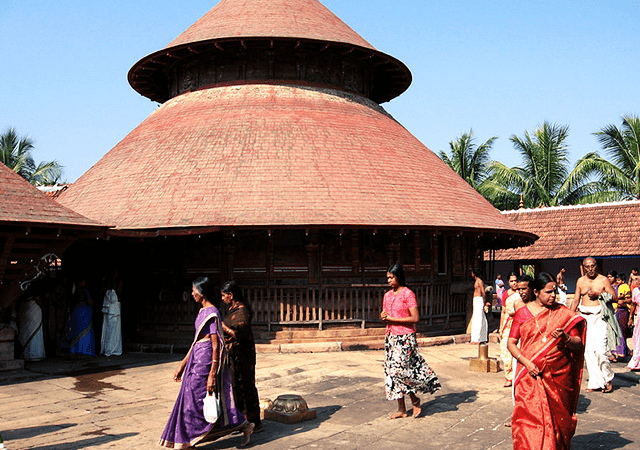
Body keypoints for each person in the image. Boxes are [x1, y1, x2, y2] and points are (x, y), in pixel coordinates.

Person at [159, 277, 254, 448]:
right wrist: (182, 364)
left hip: (205, 362)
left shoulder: (213, 312)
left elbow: (216, 345)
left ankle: (244, 425)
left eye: (194, 290)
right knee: (189, 399)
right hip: (195, 359)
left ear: (201, 293)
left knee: (196, 401)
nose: (192, 293)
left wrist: (212, 374)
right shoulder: (202, 311)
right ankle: (190, 440)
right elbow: (196, 341)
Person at [507, 272, 586, 449]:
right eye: (548, 292)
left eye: (555, 292)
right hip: (529, 376)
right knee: (527, 420)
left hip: (558, 377)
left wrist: (565, 337)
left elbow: (578, 344)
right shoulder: (523, 313)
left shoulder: (563, 314)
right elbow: (511, 343)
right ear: (536, 291)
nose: (553, 296)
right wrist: (527, 363)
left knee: (556, 421)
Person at [381, 263, 441, 419]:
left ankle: (415, 400)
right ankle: (401, 408)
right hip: (391, 337)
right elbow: (385, 314)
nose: (389, 281)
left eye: (391, 277)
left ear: (399, 277)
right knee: (391, 373)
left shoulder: (408, 294)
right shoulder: (387, 295)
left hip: (406, 337)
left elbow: (415, 317)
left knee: (402, 371)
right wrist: (384, 317)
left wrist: (393, 319)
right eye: (387, 278)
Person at [220, 281, 263, 433]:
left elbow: (242, 335)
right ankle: (241, 421)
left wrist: (224, 328)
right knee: (236, 387)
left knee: (247, 387)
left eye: (224, 295)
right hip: (234, 355)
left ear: (231, 295)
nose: (223, 298)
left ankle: (254, 422)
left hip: (243, 354)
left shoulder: (242, 310)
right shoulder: (232, 309)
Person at [571, 257, 616, 392]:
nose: (590, 269)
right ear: (584, 268)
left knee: (601, 350)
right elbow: (576, 300)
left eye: (592, 266)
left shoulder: (603, 280)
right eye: (587, 267)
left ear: (596, 266)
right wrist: (568, 316)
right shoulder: (581, 281)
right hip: (585, 317)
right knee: (589, 351)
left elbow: (614, 297)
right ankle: (595, 382)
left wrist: (599, 293)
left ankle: (607, 379)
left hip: (600, 317)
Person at [499, 272, 519, 387]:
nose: (514, 283)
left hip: (518, 323)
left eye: (515, 280)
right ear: (508, 282)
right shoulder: (506, 294)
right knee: (506, 350)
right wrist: (501, 327)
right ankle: (508, 377)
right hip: (507, 324)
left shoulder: (521, 293)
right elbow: (503, 311)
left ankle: (517, 376)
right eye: (511, 281)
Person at [69, 279, 96, 358]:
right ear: (80, 282)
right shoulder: (85, 290)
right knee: (86, 331)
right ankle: (85, 351)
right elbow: (90, 302)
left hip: (76, 312)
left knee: (77, 331)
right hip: (84, 312)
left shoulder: (75, 291)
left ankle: (76, 350)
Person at [17, 293, 46, 361]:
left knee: (27, 333)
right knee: (31, 333)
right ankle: (34, 355)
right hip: (31, 309)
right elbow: (38, 299)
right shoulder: (32, 290)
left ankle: (29, 355)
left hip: (28, 309)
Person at [613, 273, 631, 359]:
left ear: (623, 280)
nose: (617, 281)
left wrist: (617, 298)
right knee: (618, 332)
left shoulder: (624, 287)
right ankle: (624, 350)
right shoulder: (617, 287)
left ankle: (622, 351)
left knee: (621, 331)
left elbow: (623, 296)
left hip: (623, 311)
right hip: (618, 310)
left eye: (619, 280)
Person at [100, 286, 122, 357]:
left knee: (110, 330)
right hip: (112, 310)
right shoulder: (110, 292)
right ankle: (109, 349)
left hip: (112, 310)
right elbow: (114, 298)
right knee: (111, 330)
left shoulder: (108, 292)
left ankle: (109, 349)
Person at [470, 268, 489, 344]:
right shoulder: (476, 281)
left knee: (479, 318)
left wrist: (485, 302)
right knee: (478, 318)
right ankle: (481, 337)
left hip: (479, 300)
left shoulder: (479, 281)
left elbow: (483, 292)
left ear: (474, 274)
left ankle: (478, 339)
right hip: (476, 300)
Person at [627, 281, 640, 370]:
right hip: (639, 317)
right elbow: (633, 304)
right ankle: (637, 362)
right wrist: (630, 317)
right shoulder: (636, 291)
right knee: (637, 339)